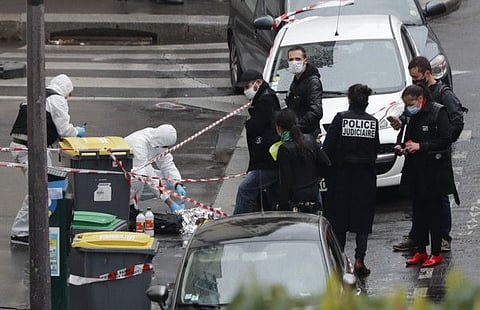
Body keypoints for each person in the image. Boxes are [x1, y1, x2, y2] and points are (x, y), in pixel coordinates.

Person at [391, 56, 466, 252]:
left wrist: (445, 142)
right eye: (412, 78)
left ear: (427, 74)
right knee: (419, 199)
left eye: (416, 77)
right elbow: (411, 115)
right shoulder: (416, 96)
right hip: (418, 158)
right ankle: (418, 236)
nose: (414, 81)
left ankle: (442, 236)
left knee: (439, 198)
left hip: (435, 156)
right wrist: (401, 122)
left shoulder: (443, 94)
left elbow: (456, 121)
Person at [9, 74, 85, 245]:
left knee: (40, 190)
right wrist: (77, 132)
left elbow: (45, 124)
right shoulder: (57, 100)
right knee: (40, 190)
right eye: (69, 94)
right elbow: (64, 129)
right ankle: (20, 233)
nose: (68, 98)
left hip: (21, 146)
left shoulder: (36, 95)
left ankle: (31, 229)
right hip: (32, 151)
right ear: (66, 90)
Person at [395, 85, 456, 268]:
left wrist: (422, 146)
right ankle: (421, 250)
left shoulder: (438, 112)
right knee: (419, 213)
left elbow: (446, 140)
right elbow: (409, 136)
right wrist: (403, 146)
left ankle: (435, 252)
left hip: (433, 173)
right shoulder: (413, 115)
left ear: (421, 99)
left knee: (433, 214)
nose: (409, 108)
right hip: (415, 171)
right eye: (406, 105)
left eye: (411, 104)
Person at [322, 84, 379, 276]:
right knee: (362, 222)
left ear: (350, 100)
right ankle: (359, 260)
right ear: (367, 102)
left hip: (340, 177)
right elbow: (375, 151)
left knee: (339, 221)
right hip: (364, 178)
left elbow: (327, 149)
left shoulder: (340, 119)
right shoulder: (372, 122)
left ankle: (339, 262)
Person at [233, 69, 281, 214]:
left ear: (258, 83)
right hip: (267, 159)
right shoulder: (263, 99)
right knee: (270, 196)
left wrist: (250, 125)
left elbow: (259, 127)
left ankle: (238, 221)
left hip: (266, 161)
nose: (245, 91)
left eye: (247, 87)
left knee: (245, 189)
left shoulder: (265, 101)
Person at [125, 124, 186, 229]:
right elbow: (150, 176)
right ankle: (129, 207)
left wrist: (177, 184)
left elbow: (167, 164)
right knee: (140, 175)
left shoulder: (160, 140)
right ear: (159, 143)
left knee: (164, 179)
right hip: (123, 172)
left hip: (140, 169)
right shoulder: (139, 143)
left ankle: (132, 205)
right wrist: (169, 202)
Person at [271, 109, 329, 213]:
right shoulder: (310, 140)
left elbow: (286, 181)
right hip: (313, 195)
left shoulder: (285, 149)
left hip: (295, 201)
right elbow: (326, 163)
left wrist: (281, 205)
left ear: (279, 128)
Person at [285, 45, 323, 135]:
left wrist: (297, 126)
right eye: (291, 60)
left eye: (298, 59)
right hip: (298, 134)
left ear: (305, 61)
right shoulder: (296, 81)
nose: (294, 62)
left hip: (307, 135)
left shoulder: (312, 82)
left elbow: (316, 111)